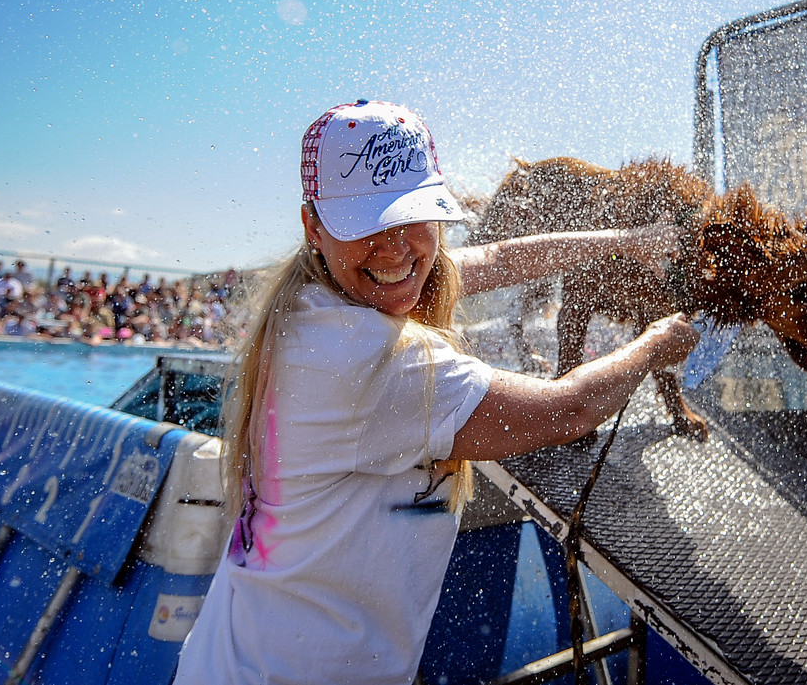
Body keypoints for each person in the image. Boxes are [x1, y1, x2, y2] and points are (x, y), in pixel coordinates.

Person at [173, 101, 698, 685]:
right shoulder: (368, 361)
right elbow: (569, 409)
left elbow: (498, 259)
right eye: (367, 224)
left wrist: (624, 241)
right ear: (313, 227)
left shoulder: (311, 300)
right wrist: (653, 345)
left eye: (413, 216)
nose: (396, 249)